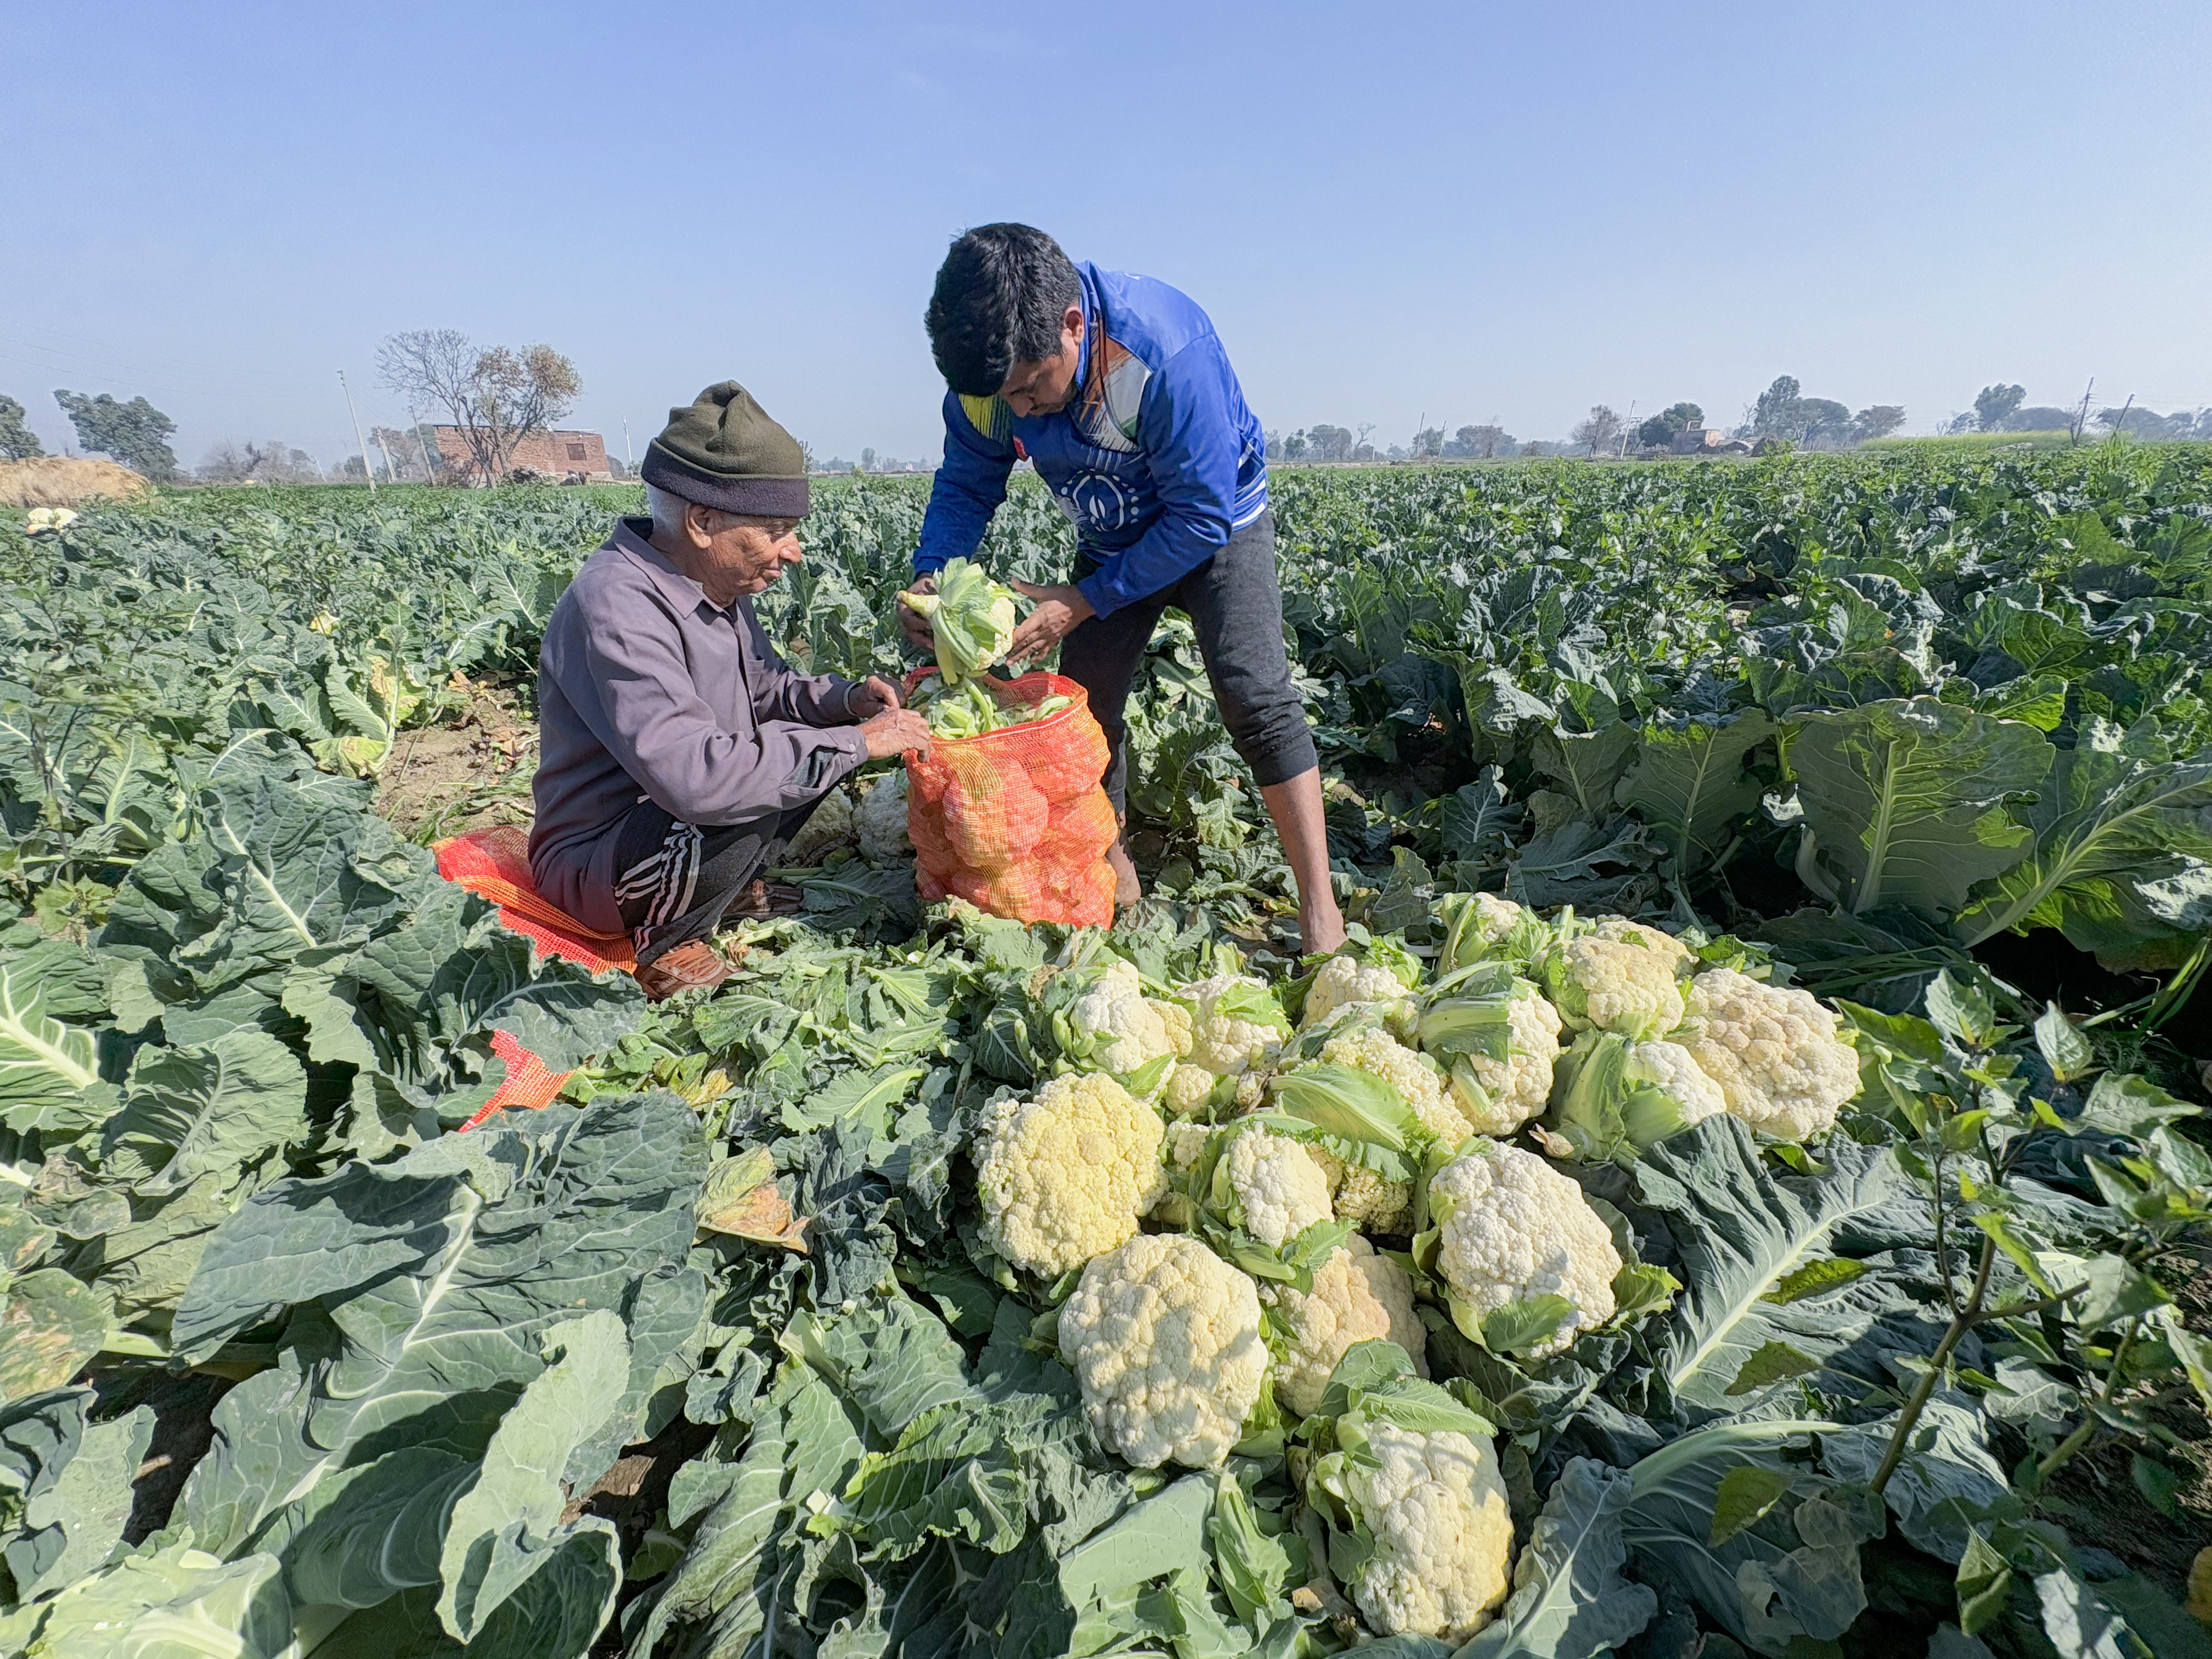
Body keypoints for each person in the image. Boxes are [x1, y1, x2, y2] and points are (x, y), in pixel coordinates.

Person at [901, 223, 1345, 954]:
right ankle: (1112, 867)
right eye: (1006, 397)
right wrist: (933, 574)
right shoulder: (989, 390)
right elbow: (965, 483)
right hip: (1112, 533)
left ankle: (1320, 912)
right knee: (1082, 705)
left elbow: (1199, 516)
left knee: (1253, 692)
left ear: (1073, 325)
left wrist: (1081, 601)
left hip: (1217, 524)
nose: (1023, 408)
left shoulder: (1160, 354)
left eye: (1030, 388)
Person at [531, 381, 931, 999]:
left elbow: (766, 688)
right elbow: (695, 780)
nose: (791, 552)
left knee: (805, 753)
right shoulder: (616, 605)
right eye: (774, 530)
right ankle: (661, 943)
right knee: (756, 789)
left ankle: (720, 892)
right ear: (701, 521)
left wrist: (846, 704)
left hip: (670, 817)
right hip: (601, 858)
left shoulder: (713, 586)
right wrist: (857, 744)